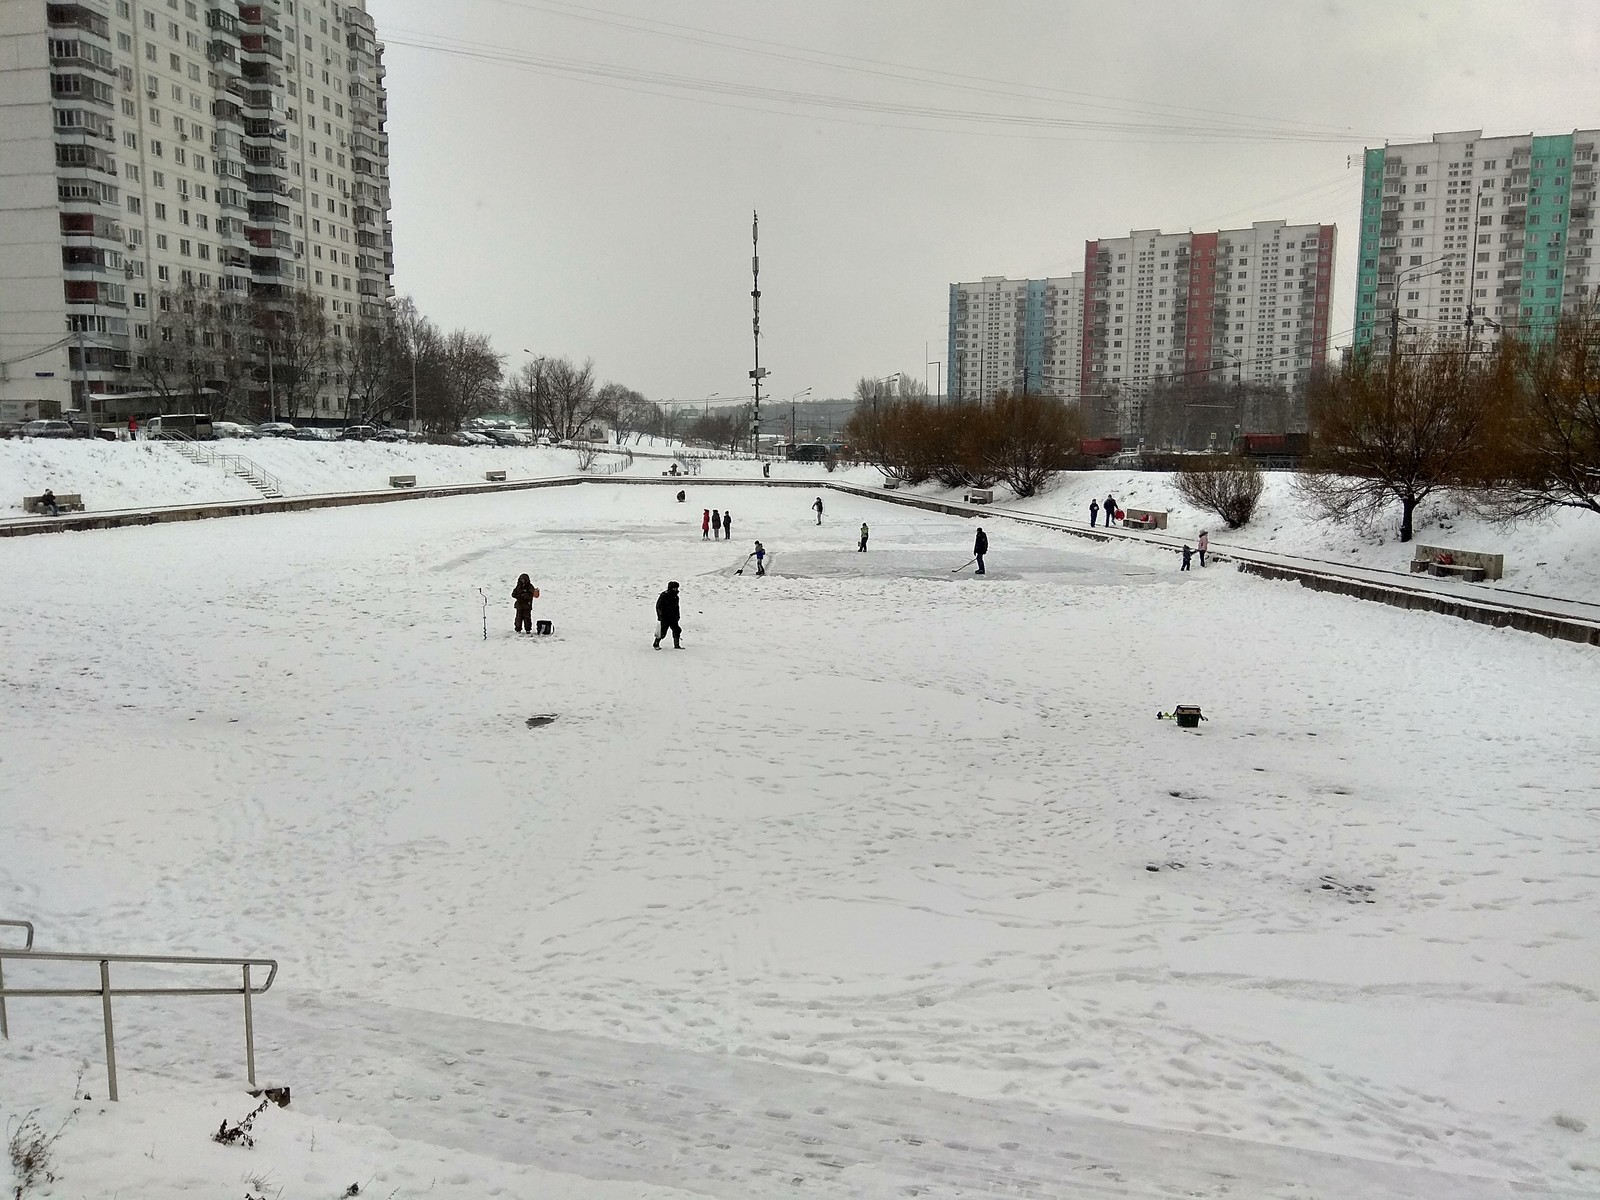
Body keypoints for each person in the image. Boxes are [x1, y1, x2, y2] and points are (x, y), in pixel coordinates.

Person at [653, 580, 682, 649]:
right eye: (674, 588)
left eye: (676, 588)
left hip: (673, 617)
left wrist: (678, 615)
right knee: (662, 632)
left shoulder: (676, 597)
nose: (676, 589)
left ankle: (677, 645)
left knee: (677, 630)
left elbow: (677, 607)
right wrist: (660, 616)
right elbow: (658, 606)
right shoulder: (664, 595)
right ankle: (656, 643)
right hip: (665, 617)